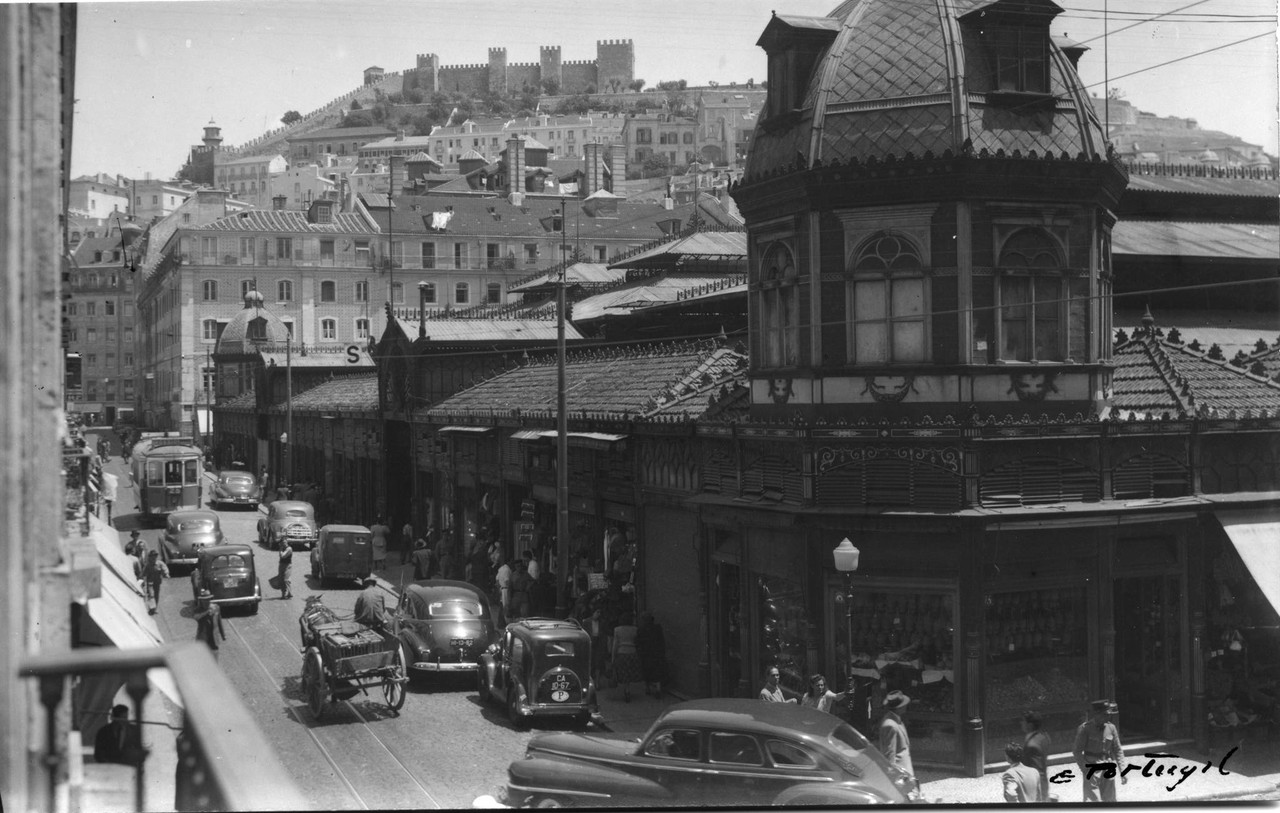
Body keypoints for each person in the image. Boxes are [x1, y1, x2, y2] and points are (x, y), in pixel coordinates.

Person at [1073, 699, 1126, 803]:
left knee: (1110, 801)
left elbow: (1118, 750)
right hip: (1092, 769)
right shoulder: (1085, 729)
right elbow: (1077, 751)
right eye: (1105, 714)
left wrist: (1123, 770)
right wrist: (1084, 768)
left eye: (1109, 714)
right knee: (1092, 802)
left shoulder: (1111, 728)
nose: (1108, 717)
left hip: (1108, 768)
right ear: (1096, 714)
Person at [879, 691, 915, 781]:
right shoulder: (890, 725)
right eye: (904, 705)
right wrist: (893, 777)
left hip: (905, 771)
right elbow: (889, 754)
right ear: (899, 708)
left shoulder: (895, 719)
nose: (906, 706)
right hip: (901, 774)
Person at [610, 611, 643, 702]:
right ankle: (628, 690)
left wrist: (613, 657)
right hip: (632, 652)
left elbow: (615, 644)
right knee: (630, 672)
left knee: (624, 673)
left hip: (621, 653)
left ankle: (626, 689)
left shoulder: (617, 629)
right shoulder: (635, 629)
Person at [1021, 710, 1052, 801]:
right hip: (1043, 781)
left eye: (1023, 721)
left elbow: (1037, 770)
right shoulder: (1043, 737)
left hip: (1035, 785)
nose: (1021, 723)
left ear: (1030, 725)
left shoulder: (1032, 745)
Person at [635, 612, 668, 698]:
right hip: (656, 653)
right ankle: (658, 689)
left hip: (645, 653)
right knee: (657, 671)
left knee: (646, 671)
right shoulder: (657, 628)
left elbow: (638, 642)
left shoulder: (641, 630)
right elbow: (661, 640)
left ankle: (647, 688)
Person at [142, 550, 169, 614]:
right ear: (150, 557)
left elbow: (165, 568)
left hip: (157, 582)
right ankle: (151, 608)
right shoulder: (148, 565)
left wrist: (166, 573)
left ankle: (155, 608)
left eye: (155, 556)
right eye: (152, 556)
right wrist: (142, 579)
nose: (154, 558)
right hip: (150, 582)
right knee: (151, 595)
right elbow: (144, 573)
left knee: (156, 595)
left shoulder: (160, 563)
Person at [495, 557, 513, 624]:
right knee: (506, 606)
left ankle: (501, 622)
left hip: (501, 589)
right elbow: (507, 581)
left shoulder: (501, 568)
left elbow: (497, 580)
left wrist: (499, 589)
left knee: (502, 606)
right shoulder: (507, 570)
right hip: (506, 589)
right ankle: (506, 622)